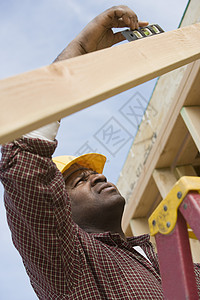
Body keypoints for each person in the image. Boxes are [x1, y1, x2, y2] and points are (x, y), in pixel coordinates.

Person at [1, 5, 200, 299]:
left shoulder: (179, 266)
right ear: (59, 211)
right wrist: (79, 53)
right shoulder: (69, 265)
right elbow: (25, 162)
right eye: (78, 181)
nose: (97, 177)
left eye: (93, 173)